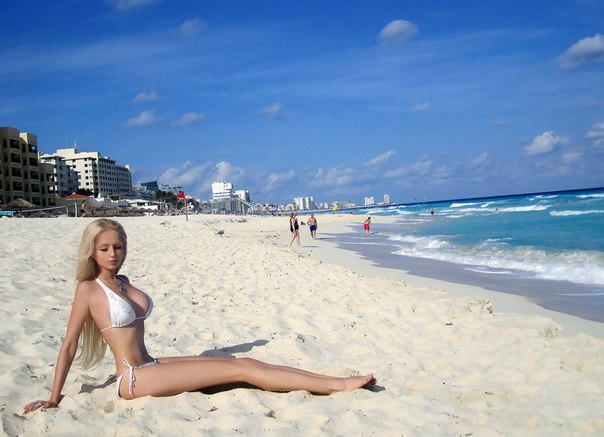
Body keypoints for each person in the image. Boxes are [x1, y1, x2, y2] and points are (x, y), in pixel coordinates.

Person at [23, 219, 375, 414]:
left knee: (243, 361)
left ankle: (330, 380)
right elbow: (69, 345)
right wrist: (54, 397)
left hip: (151, 364)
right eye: (104, 249)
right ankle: (338, 386)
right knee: (242, 370)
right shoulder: (88, 289)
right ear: (92, 252)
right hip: (133, 379)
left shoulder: (124, 281)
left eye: (118, 246)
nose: (113, 254)